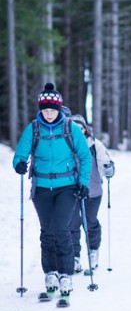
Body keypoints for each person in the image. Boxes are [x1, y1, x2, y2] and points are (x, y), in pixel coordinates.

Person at [12, 83, 92, 298]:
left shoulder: (70, 128)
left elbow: (85, 157)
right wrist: (19, 163)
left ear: (59, 109)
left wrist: (83, 183)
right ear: (40, 109)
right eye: (45, 110)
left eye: (52, 110)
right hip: (41, 188)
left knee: (61, 228)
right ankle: (50, 272)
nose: (48, 113)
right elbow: (20, 153)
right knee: (47, 230)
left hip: (67, 187)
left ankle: (65, 273)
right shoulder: (33, 129)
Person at [69, 114, 115, 273]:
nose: (78, 130)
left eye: (80, 127)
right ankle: (74, 256)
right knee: (72, 223)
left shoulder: (95, 145)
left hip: (93, 191)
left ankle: (93, 251)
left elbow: (105, 162)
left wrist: (109, 168)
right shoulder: (66, 144)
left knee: (90, 221)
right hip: (71, 192)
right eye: (74, 128)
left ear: (85, 129)